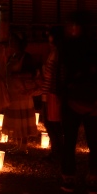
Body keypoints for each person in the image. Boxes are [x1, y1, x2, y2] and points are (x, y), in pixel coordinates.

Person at [58, 13, 97, 194]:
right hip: (92, 101)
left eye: (71, 26)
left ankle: (69, 176)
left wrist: (64, 93)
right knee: (92, 141)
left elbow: (62, 75)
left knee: (71, 141)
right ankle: (92, 177)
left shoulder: (67, 48)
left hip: (75, 99)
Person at [3, 33, 39, 144]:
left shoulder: (26, 57)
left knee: (22, 119)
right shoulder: (12, 56)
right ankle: (18, 142)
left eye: (13, 41)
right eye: (10, 41)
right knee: (16, 120)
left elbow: (32, 73)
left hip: (22, 93)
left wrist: (17, 75)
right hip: (13, 92)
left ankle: (23, 144)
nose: (11, 44)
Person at [39, 26, 65, 163]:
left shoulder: (57, 53)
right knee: (49, 123)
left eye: (50, 36)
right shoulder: (53, 52)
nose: (48, 39)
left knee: (53, 124)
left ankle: (58, 152)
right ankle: (57, 151)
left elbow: (54, 74)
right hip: (48, 92)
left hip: (52, 93)